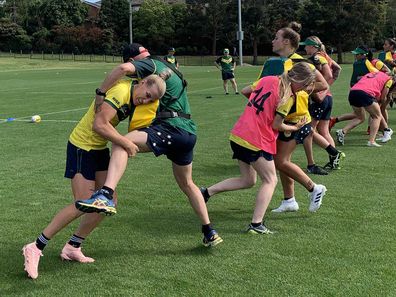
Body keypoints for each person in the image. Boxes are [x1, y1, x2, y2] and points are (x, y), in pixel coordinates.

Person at [22, 56, 168, 280]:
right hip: (82, 146)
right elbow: (98, 125)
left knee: (108, 201)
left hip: (98, 149)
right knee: (84, 202)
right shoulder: (121, 93)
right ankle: (36, 246)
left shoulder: (134, 95)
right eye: (147, 95)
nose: (145, 101)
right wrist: (126, 142)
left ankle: (73, 246)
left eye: (151, 100)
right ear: (141, 83)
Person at [75, 43, 223, 248]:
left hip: (171, 128)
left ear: (134, 61)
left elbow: (122, 70)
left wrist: (101, 92)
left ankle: (106, 194)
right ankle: (209, 231)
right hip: (188, 133)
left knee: (122, 143)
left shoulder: (148, 66)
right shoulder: (167, 67)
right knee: (187, 184)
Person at [200, 63, 316, 234]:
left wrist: (261, 110)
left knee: (248, 180)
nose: (304, 89)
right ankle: (256, 225)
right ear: (297, 79)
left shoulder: (268, 79)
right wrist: (294, 128)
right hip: (256, 139)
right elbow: (277, 125)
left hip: (239, 135)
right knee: (270, 180)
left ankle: (206, 193)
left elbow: (246, 90)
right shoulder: (288, 96)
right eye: (305, 85)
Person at [300, 36, 345, 172]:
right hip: (327, 99)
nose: (304, 48)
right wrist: (327, 89)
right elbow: (337, 69)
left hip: (319, 100)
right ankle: (334, 158)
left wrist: (321, 90)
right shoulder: (324, 55)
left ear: (313, 46)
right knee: (323, 131)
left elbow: (329, 75)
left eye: (306, 46)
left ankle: (320, 160)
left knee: (308, 131)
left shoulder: (317, 57)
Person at [335, 71, 393, 147]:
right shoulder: (389, 79)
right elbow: (382, 98)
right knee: (377, 116)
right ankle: (371, 141)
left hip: (353, 92)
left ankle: (342, 132)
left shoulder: (374, 73)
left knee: (360, 117)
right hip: (365, 93)